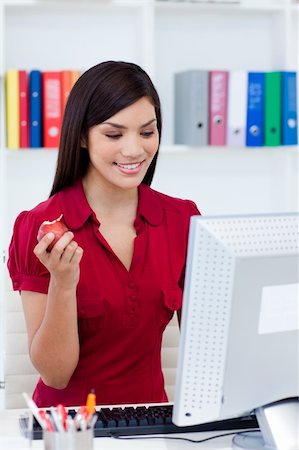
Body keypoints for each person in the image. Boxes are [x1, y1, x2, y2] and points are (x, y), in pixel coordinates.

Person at [7, 60, 200, 408]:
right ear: (81, 136)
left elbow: (205, 353)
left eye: (147, 132)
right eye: (114, 134)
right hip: (67, 427)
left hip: (152, 423)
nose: (134, 150)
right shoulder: (38, 228)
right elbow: (55, 375)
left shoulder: (182, 220)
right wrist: (63, 283)